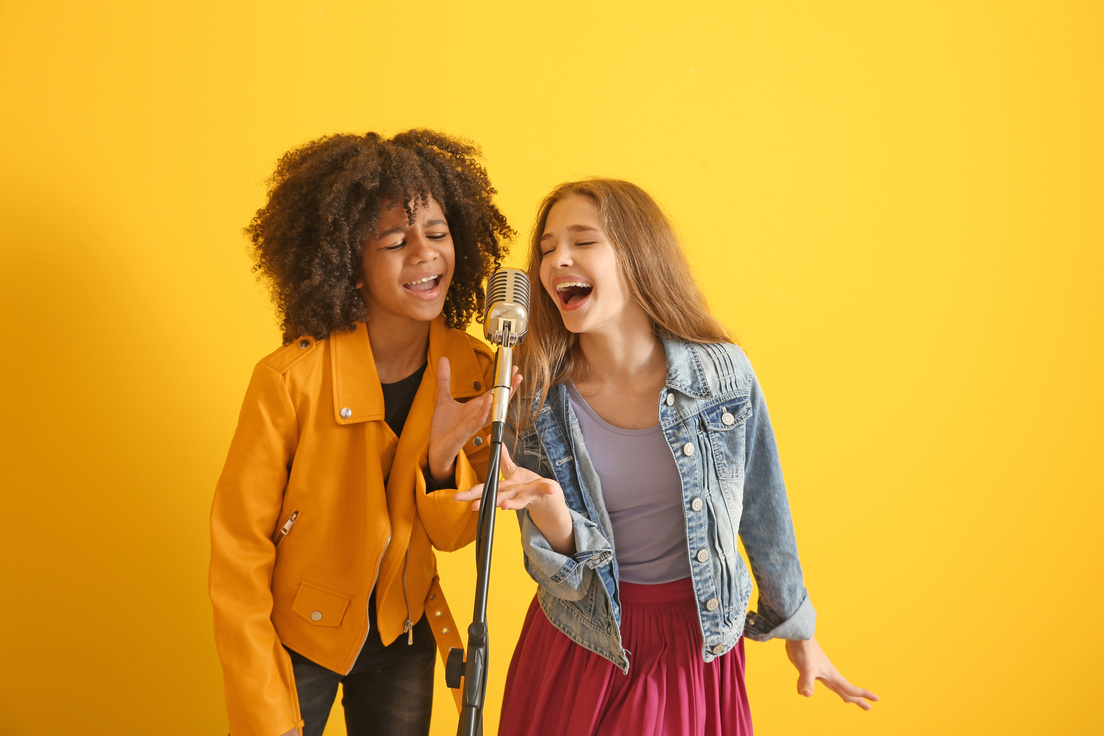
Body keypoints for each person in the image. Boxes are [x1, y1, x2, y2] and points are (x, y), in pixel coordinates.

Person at [455, 179, 878, 735]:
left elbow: (762, 505)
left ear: (639, 255)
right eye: (547, 248)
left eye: (583, 241)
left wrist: (798, 630)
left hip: (694, 645)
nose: (557, 260)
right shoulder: (532, 395)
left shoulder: (722, 374)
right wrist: (550, 511)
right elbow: (563, 574)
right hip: (581, 641)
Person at [209, 130, 514, 736]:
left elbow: (454, 536)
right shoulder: (288, 381)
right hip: (299, 638)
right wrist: (266, 714)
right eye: (396, 242)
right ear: (350, 266)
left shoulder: (478, 370)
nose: (425, 254)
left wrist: (441, 460)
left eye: (438, 233)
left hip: (404, 635)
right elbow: (238, 553)